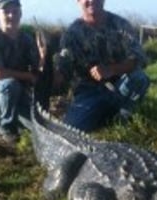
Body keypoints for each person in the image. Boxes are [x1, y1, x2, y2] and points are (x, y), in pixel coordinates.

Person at [55, 0, 150, 132]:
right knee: (71, 130)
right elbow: (62, 71)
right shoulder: (71, 34)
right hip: (88, 92)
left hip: (119, 88)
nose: (92, 1)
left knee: (139, 78)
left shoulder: (121, 25)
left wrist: (112, 70)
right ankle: (103, 117)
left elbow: (139, 58)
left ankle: (123, 119)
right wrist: (45, 66)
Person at [0, 0, 46, 144]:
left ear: (20, 13)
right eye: (6, 12)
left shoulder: (27, 39)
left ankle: (1, 116)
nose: (11, 15)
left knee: (38, 127)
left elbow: (38, 73)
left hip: (20, 92)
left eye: (15, 11)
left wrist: (43, 55)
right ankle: (6, 128)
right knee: (10, 85)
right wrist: (28, 76)